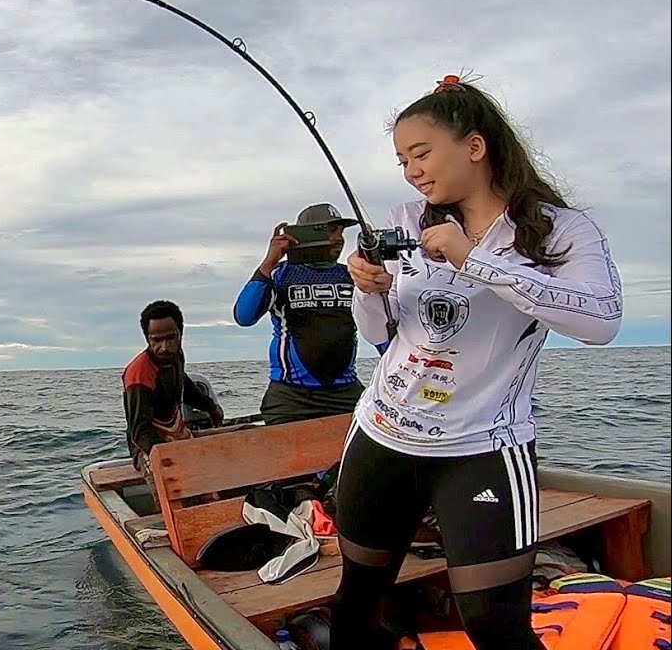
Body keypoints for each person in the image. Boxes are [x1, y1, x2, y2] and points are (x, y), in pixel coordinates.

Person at [331, 74, 623, 650]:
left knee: (494, 623)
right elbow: (379, 333)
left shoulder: (560, 230)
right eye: (402, 161)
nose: (412, 171)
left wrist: (475, 260)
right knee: (358, 599)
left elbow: (602, 320)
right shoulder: (404, 219)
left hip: (484, 448)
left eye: (421, 153)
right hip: (382, 435)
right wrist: (367, 287)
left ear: (474, 146)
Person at [233, 203, 364, 425]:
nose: (338, 238)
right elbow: (244, 316)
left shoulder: (352, 275)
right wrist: (269, 262)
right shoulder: (280, 274)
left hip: (346, 392)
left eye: (341, 231)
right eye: (329, 230)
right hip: (291, 397)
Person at [123, 300, 225, 487]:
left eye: (171, 338)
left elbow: (184, 384)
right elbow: (139, 431)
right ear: (147, 339)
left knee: (245, 434)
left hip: (178, 432)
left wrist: (212, 408)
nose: (165, 347)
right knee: (169, 483)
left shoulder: (176, 356)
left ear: (180, 334)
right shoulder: (139, 374)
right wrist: (169, 455)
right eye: (157, 340)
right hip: (148, 446)